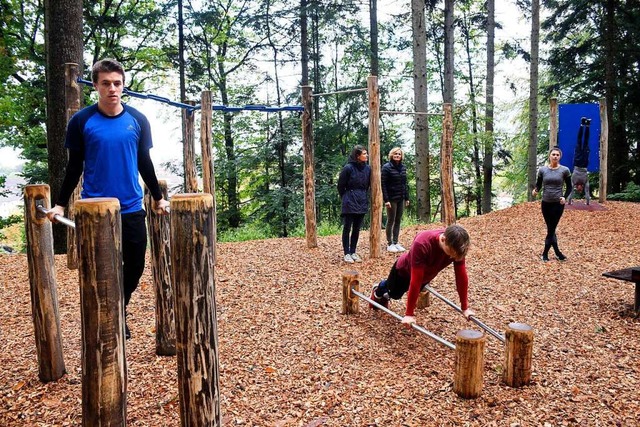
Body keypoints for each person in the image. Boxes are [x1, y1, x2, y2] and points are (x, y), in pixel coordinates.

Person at [47, 58, 170, 339]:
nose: (112, 89)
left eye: (117, 83)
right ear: (95, 86)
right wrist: (60, 203)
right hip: (95, 210)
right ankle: (107, 320)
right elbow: (74, 166)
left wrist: (158, 198)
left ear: (123, 85)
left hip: (130, 208)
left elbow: (144, 161)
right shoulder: (81, 121)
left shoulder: (138, 120)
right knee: (100, 269)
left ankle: (119, 308)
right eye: (106, 83)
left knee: (136, 265)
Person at [370, 224, 475, 326]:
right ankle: (378, 289)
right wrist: (409, 314)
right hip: (403, 272)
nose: (453, 257)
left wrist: (465, 307)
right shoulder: (422, 243)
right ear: (443, 239)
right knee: (394, 294)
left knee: (409, 290)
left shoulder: (456, 247)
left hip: (425, 275)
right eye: (451, 253)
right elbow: (415, 280)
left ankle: (385, 293)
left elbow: (461, 276)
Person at [532, 146, 572, 262]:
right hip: (546, 203)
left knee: (551, 229)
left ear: (560, 157)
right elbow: (538, 184)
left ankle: (544, 254)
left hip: (558, 204)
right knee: (551, 229)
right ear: (549, 156)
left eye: (557, 155)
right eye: (553, 154)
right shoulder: (542, 170)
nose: (555, 156)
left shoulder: (565, 170)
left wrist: (564, 197)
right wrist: (535, 190)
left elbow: (569, 187)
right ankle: (558, 253)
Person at [337, 145, 371, 263]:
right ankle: (346, 253)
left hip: (361, 199)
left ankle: (353, 251)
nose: (366, 155)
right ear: (357, 156)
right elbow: (340, 185)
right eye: (364, 154)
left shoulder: (368, 168)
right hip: (349, 200)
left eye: (366, 153)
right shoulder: (348, 168)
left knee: (357, 228)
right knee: (347, 227)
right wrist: (346, 197)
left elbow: (367, 186)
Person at [381, 147, 410, 253]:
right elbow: (383, 184)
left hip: (400, 197)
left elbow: (404, 184)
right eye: (395, 154)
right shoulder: (386, 167)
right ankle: (389, 243)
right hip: (391, 198)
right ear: (391, 155)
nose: (397, 155)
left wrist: (407, 197)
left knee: (398, 220)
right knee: (391, 220)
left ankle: (396, 242)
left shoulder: (403, 167)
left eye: (399, 154)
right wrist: (386, 200)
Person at [567, 117, 591, 205]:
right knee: (586, 142)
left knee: (579, 141)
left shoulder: (574, 181)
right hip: (584, 163)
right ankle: (587, 125)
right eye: (581, 189)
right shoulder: (585, 182)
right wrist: (587, 202)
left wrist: (569, 202)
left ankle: (582, 124)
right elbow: (587, 192)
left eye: (579, 189)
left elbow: (570, 190)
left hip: (577, 163)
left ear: (577, 187)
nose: (580, 188)